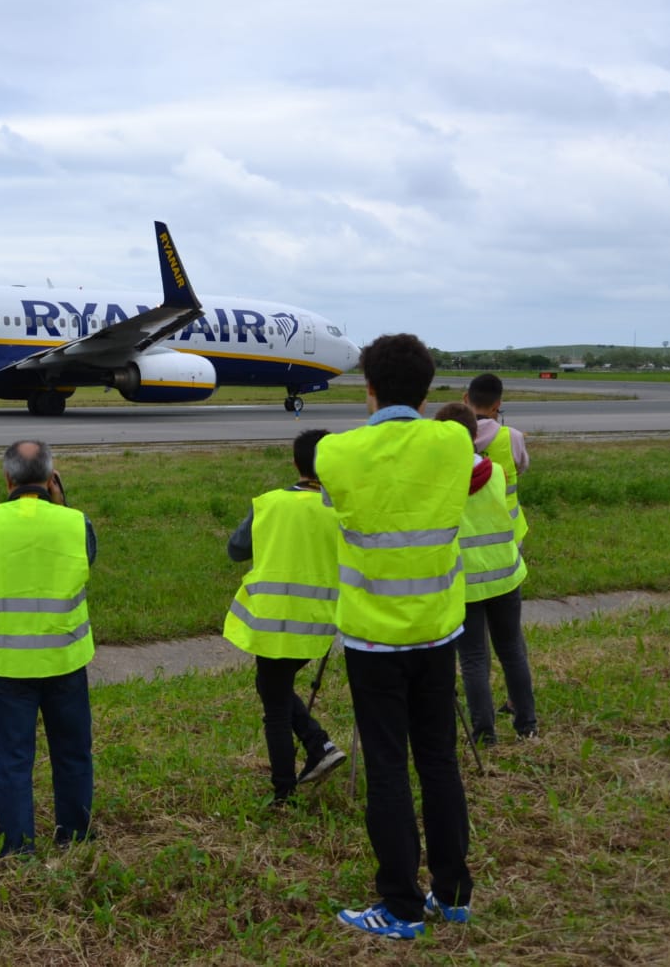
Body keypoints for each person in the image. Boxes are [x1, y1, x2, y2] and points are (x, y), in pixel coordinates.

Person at [316, 333, 475, 940]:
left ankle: (401, 906)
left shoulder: (337, 451)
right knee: (439, 760)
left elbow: (334, 501)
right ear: (429, 389)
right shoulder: (454, 440)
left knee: (387, 768)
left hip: (373, 639)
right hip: (438, 631)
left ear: (368, 388)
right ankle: (453, 894)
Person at [0, 439, 96, 857]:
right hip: (65, 658)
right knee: (73, 751)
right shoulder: (75, 522)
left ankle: (16, 844)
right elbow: (87, 560)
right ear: (51, 477)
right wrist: (62, 504)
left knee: (12, 758)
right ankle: (75, 834)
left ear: (7, 478)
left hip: (7, 662)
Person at [224, 427, 347, 807]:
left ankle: (285, 788)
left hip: (273, 620)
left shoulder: (269, 503)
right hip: (319, 623)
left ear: (295, 463)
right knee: (272, 687)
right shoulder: (341, 509)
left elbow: (236, 549)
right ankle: (317, 744)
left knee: (274, 704)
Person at [434, 403, 538, 743]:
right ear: (474, 435)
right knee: (512, 650)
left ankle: (484, 732)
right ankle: (527, 724)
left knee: (474, 658)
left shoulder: (439, 482)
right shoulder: (496, 472)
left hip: (466, 583)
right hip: (505, 574)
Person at [465, 373, 530, 546]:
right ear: (497, 405)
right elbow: (521, 468)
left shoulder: (450, 437)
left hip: (465, 531)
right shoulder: (513, 437)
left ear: (465, 399)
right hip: (507, 531)